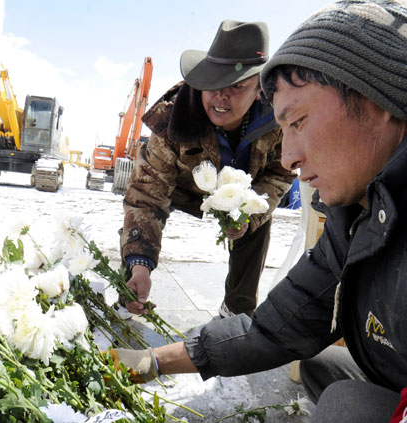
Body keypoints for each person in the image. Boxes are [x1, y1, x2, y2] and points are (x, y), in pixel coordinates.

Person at [112, 1, 407, 421]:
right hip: (189, 192)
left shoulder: (272, 128)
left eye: (299, 121)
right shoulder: (353, 218)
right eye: (285, 129)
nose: (289, 157)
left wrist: (251, 213)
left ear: (377, 100)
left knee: (346, 405)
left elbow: (274, 181)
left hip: (245, 200)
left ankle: (238, 299)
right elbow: (278, 326)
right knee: (321, 365)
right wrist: (155, 359)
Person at [120, 19, 296, 318]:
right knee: (140, 238)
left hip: (241, 193)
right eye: (213, 84)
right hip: (183, 188)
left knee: (257, 217)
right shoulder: (172, 122)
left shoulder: (281, 119)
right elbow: (146, 198)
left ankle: (237, 311)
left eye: (238, 86)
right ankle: (132, 290)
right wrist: (140, 264)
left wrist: (248, 215)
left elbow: (281, 173)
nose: (221, 96)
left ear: (259, 89)